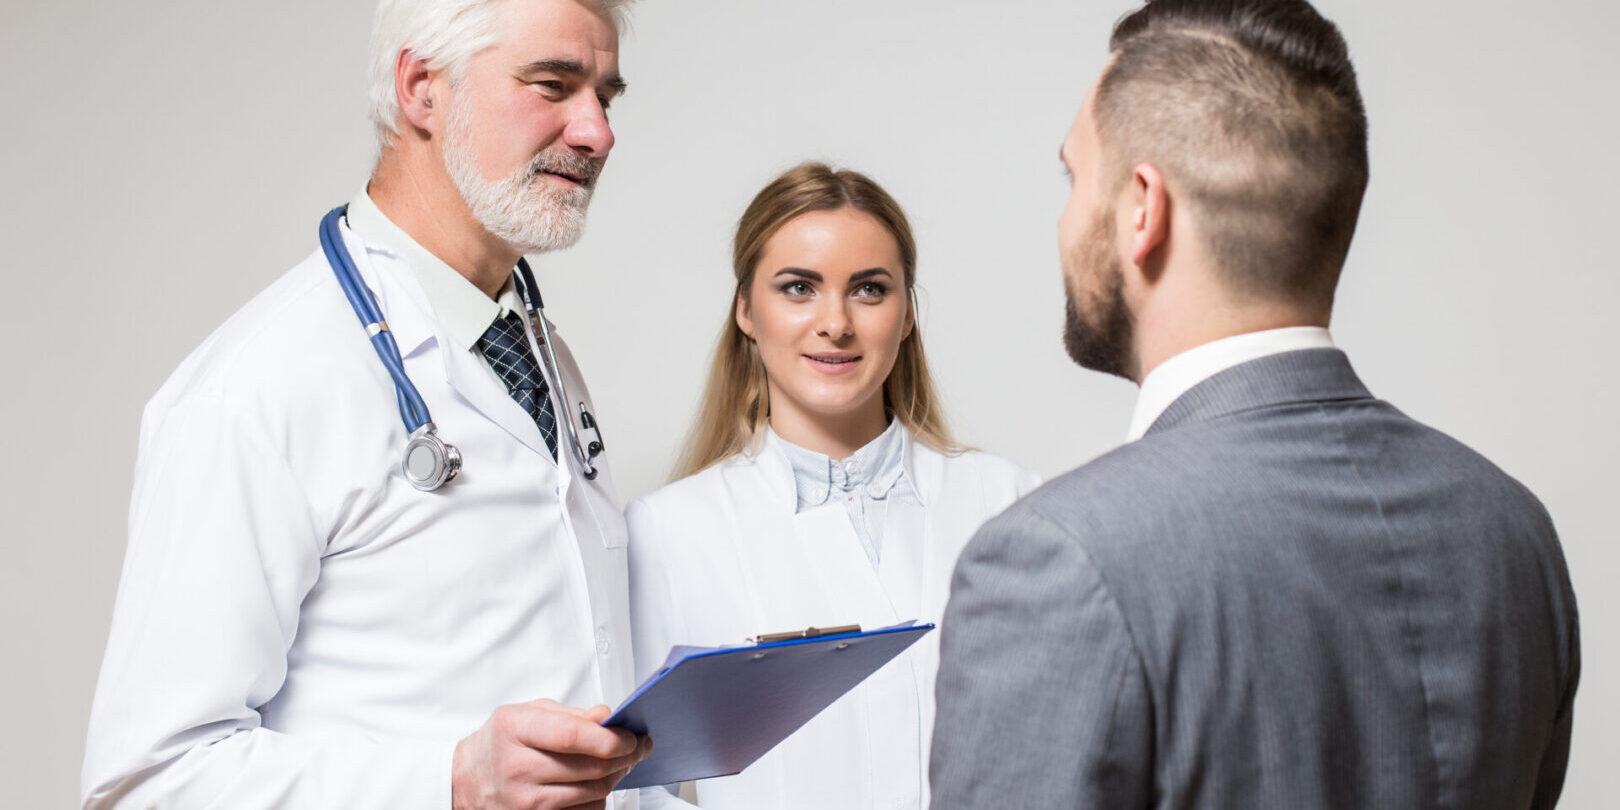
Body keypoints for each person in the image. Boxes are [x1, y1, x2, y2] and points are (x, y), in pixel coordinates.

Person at [929, 1, 1581, 808]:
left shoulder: (1058, 562)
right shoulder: (1510, 530)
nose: (1065, 218)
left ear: (1142, 209)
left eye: (1073, 177)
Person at [80, 1, 669, 808]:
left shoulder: (537, 355)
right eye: (553, 85)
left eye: (606, 96)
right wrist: (449, 784)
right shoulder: (255, 389)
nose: (597, 132)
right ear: (422, 88)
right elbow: (146, 783)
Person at [626, 162, 1039, 810]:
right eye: (799, 288)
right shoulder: (669, 531)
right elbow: (639, 787)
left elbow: (1056, 744)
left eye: (869, 290)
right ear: (746, 311)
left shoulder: (1006, 501)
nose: (836, 323)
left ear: (907, 315)